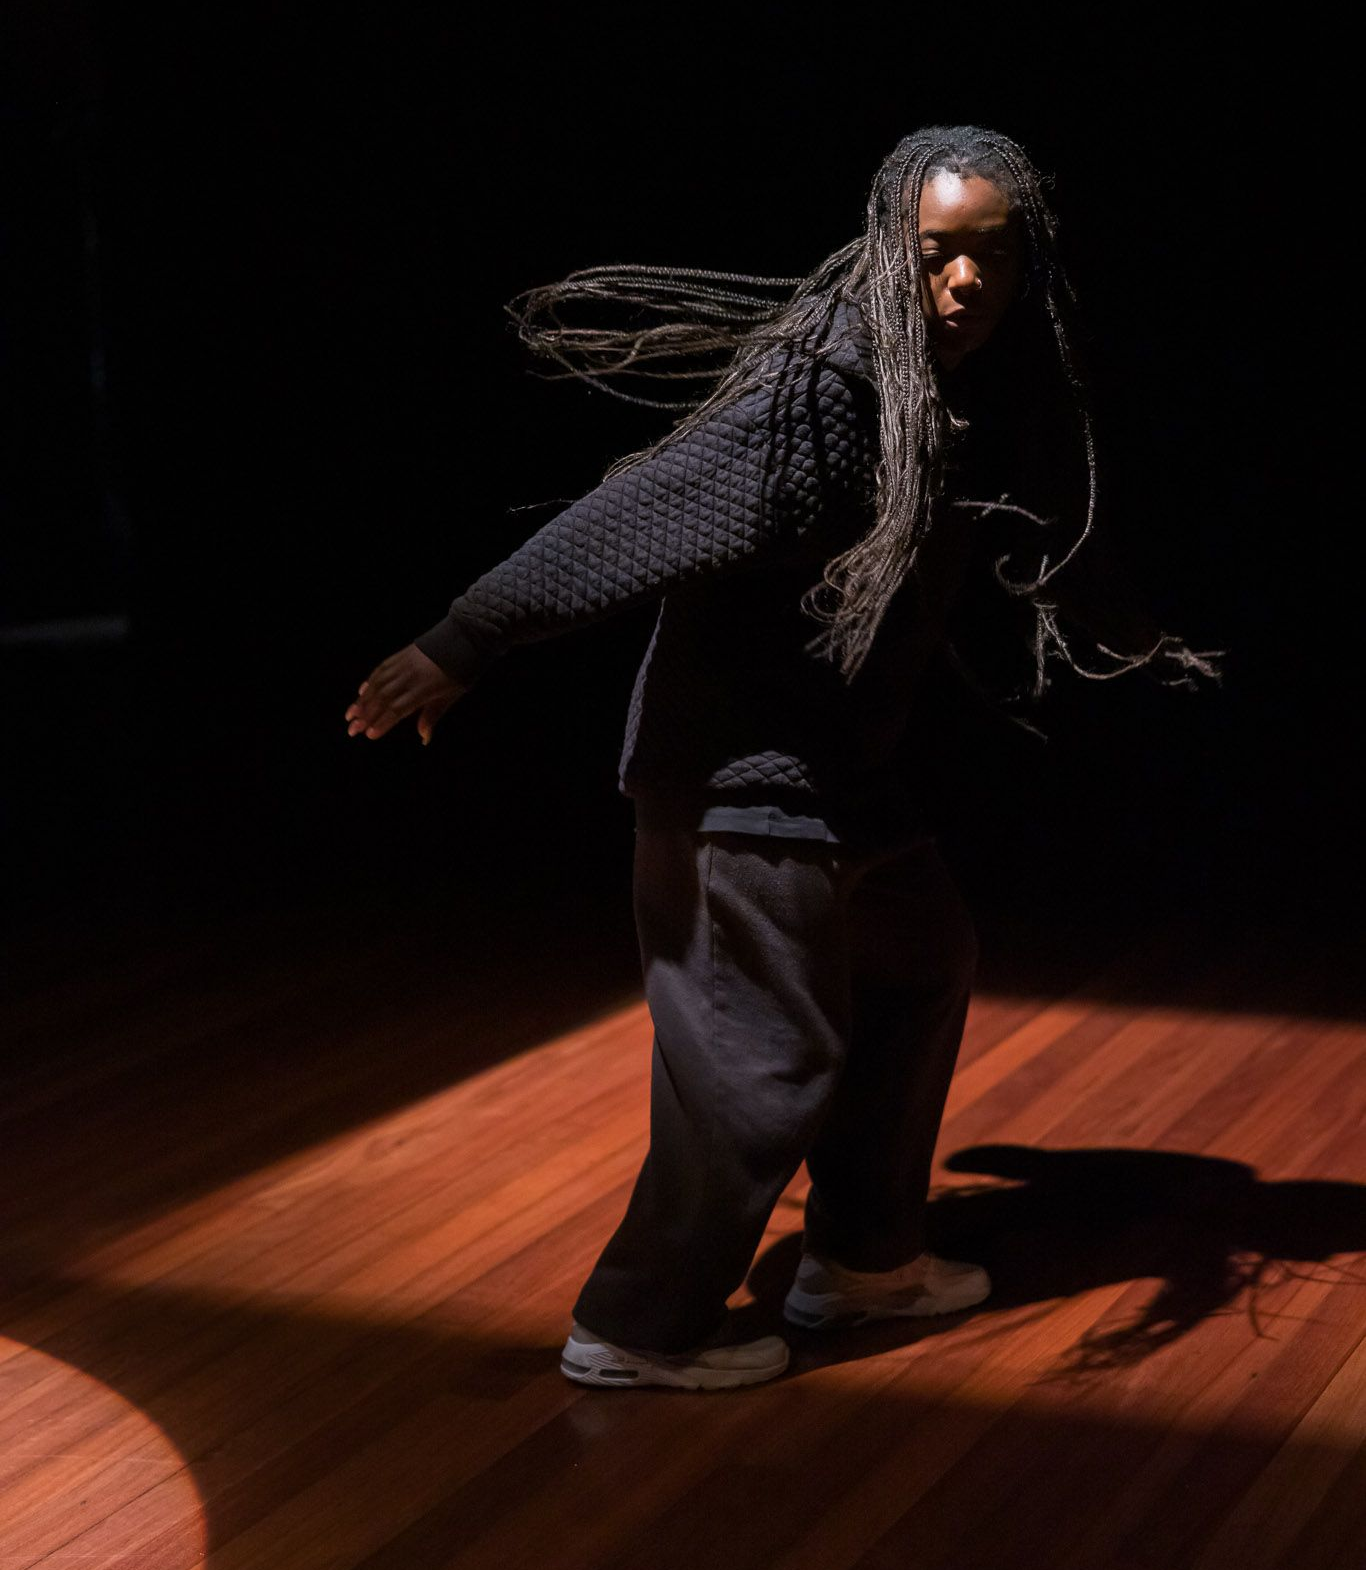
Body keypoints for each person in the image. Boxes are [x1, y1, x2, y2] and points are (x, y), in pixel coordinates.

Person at [343, 125, 1224, 1392]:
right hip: (734, 775)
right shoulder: (822, 385)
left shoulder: (982, 385)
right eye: (934, 256)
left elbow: (1050, 522)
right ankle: (638, 1323)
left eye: (990, 254)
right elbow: (640, 509)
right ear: (887, 252)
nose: (963, 283)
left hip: (839, 769)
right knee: (760, 1061)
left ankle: (862, 1262)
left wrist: (1143, 639)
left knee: (920, 963)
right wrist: (464, 639)